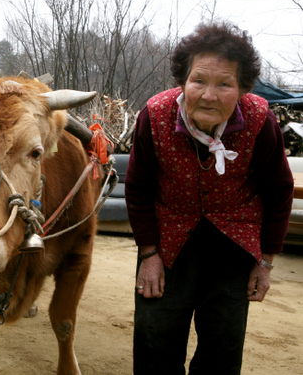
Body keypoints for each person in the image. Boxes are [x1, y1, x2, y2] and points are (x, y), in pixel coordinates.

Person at [126, 22, 294, 375]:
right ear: (183, 81)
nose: (208, 95)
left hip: (233, 247)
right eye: (199, 80)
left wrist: (265, 262)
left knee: (221, 352)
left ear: (243, 88)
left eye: (225, 84)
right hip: (169, 244)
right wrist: (149, 254)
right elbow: (138, 188)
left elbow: (279, 192)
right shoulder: (155, 116)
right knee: (155, 344)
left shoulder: (260, 122)